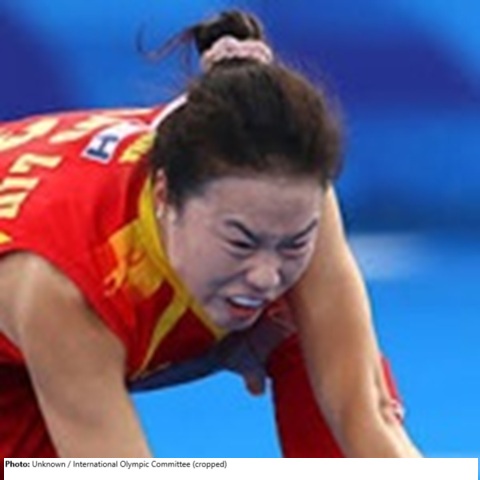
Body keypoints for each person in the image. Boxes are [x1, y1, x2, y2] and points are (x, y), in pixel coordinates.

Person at [0, 10, 421, 459]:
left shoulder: (288, 191)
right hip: (29, 337)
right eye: (241, 242)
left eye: (294, 244)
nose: (266, 276)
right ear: (164, 194)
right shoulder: (62, 285)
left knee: (305, 327)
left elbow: (368, 416)